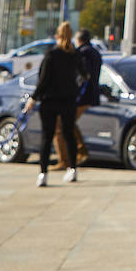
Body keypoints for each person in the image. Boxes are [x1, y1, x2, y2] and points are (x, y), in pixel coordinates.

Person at [25, 21, 86, 187]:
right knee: (68, 134)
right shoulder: (74, 54)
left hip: (50, 100)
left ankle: (43, 174)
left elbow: (43, 80)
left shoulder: (51, 54)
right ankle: (72, 170)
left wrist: (33, 98)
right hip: (69, 100)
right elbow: (84, 74)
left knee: (47, 136)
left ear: (57, 36)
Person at [55, 29, 102, 169]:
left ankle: (68, 158)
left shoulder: (83, 53)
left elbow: (82, 75)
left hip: (81, 96)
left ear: (79, 40)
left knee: (62, 124)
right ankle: (79, 152)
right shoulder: (95, 52)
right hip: (89, 95)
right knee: (67, 122)